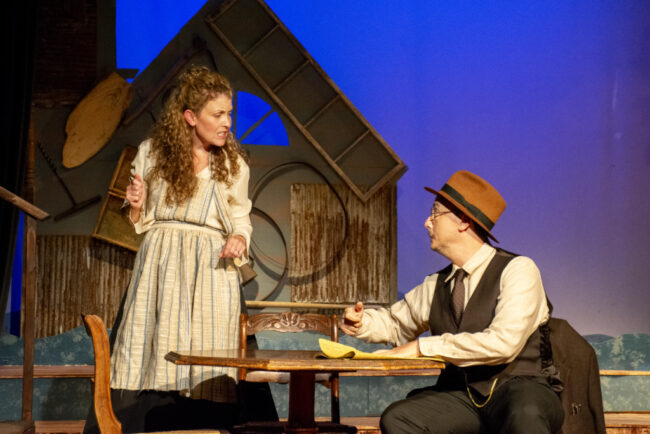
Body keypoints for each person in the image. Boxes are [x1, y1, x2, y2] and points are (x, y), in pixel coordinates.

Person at [91, 66, 252, 432]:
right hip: (161, 262)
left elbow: (241, 217)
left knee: (210, 354)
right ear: (191, 117)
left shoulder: (233, 165)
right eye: (218, 114)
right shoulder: (152, 154)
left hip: (211, 268)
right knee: (150, 343)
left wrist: (239, 238)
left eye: (229, 114)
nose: (227, 122)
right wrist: (135, 203)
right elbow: (140, 219)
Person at [341, 170, 564, 434]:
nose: (427, 222)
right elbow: (394, 322)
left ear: (464, 222)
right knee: (399, 418)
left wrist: (423, 347)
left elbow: (504, 343)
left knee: (525, 414)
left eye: (435, 213)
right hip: (463, 396)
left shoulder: (518, 270)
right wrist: (362, 322)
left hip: (519, 388)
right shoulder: (438, 284)